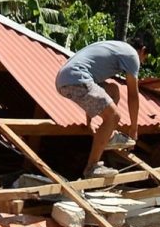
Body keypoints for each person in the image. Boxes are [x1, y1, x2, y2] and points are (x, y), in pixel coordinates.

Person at [55, 39, 142, 175]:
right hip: (77, 79)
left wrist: (89, 121)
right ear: (142, 50)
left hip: (65, 78)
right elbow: (133, 95)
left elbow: (94, 93)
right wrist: (134, 128)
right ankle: (92, 167)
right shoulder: (132, 55)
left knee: (113, 89)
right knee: (114, 116)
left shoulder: (115, 47)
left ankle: (109, 135)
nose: (142, 62)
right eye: (145, 57)